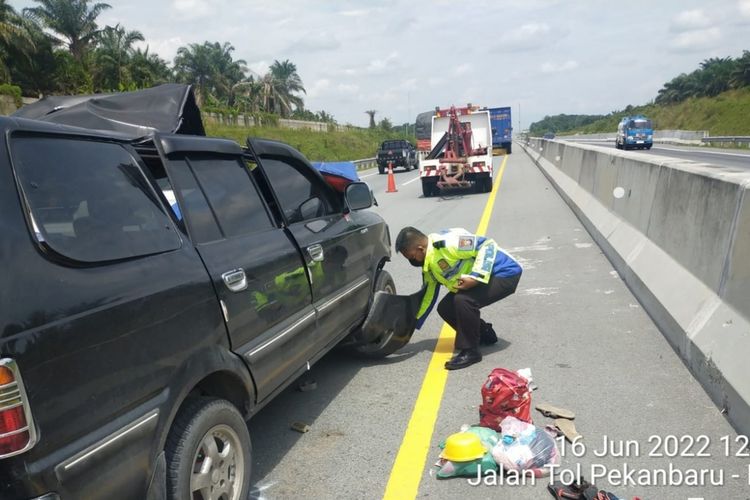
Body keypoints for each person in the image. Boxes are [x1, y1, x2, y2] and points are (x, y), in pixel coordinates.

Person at [395, 226, 522, 370]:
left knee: (463, 300)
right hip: (481, 278)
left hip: (504, 272)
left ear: (420, 249)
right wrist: (413, 322)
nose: (412, 261)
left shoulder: (447, 244)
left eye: (412, 257)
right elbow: (428, 295)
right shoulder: (429, 261)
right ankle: (484, 334)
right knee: (445, 307)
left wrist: (476, 277)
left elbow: (486, 244)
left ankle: (470, 351)